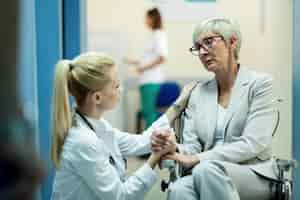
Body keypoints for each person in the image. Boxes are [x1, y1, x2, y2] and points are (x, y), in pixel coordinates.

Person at [151, 17, 279, 200]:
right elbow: (192, 145)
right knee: (179, 189)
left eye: (209, 42)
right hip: (206, 171)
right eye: (198, 47)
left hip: (252, 173)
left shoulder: (260, 84)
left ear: (232, 42)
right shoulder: (198, 93)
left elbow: (254, 142)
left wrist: (199, 159)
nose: (203, 52)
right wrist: (176, 149)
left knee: (206, 169)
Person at [50, 52, 192, 200]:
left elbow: (141, 142)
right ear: (97, 97)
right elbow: (121, 196)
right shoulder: (83, 141)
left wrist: (178, 104)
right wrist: (156, 157)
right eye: (116, 86)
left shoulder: (98, 126)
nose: (121, 89)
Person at [126, 7, 168, 129]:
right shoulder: (153, 35)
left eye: (147, 18)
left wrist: (143, 68)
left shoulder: (159, 35)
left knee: (149, 113)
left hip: (151, 80)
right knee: (147, 113)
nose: (145, 20)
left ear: (153, 18)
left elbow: (162, 58)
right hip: (146, 80)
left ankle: (150, 144)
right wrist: (134, 62)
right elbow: (149, 58)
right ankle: (150, 142)